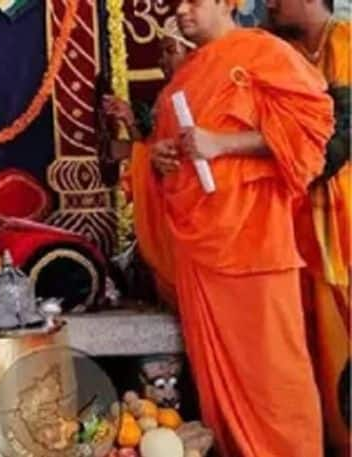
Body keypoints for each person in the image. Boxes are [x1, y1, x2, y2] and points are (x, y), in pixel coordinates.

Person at [148, 0, 334, 455]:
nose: (183, 11)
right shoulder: (187, 74)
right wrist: (162, 158)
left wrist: (223, 143)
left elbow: (315, 132)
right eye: (178, 3)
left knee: (276, 379)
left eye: (195, 1)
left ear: (228, 3)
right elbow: (175, 157)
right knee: (219, 387)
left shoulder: (262, 53)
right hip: (201, 248)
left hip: (256, 241)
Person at [266, 0, 351, 453]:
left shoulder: (345, 41)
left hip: (345, 222)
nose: (269, 4)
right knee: (315, 341)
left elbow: (342, 136)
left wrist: (276, 160)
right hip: (302, 227)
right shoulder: (288, 52)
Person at [100, 20, 195, 308]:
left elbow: (175, 158)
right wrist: (130, 122)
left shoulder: (197, 95)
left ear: (192, 54)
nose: (163, 61)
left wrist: (129, 151)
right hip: (168, 214)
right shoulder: (166, 98)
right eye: (161, 53)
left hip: (190, 215)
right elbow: (153, 148)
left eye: (170, 51)